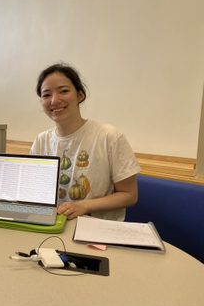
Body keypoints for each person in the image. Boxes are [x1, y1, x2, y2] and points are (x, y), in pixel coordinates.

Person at [30, 63, 140, 221]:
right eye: (46, 95)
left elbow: (129, 195)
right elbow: (35, 191)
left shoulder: (110, 137)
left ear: (80, 95)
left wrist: (84, 206)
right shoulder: (41, 141)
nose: (54, 100)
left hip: (98, 232)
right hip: (52, 227)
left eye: (64, 91)